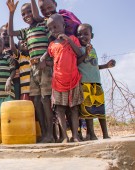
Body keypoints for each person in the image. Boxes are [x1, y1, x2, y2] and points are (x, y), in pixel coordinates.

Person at [7, 0, 54, 143]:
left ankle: (50, 134)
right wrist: (11, 13)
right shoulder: (26, 31)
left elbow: (50, 44)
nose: (27, 15)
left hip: (44, 66)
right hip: (33, 68)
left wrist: (44, 59)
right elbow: (10, 32)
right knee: (37, 101)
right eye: (23, 14)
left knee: (46, 100)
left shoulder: (43, 24)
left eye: (29, 12)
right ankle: (44, 132)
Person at [44, 14, 84, 143]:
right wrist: (42, 60)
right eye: (50, 28)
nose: (53, 30)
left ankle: (76, 136)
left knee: (74, 109)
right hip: (58, 81)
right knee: (60, 109)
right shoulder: (51, 45)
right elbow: (52, 59)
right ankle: (65, 137)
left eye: (55, 26)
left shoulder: (72, 39)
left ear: (64, 26)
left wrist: (68, 40)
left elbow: (79, 54)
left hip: (73, 79)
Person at [77, 23, 116, 140]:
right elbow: (77, 63)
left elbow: (93, 66)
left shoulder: (93, 49)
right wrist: (86, 54)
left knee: (100, 108)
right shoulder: (79, 49)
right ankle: (91, 134)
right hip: (84, 83)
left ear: (91, 36)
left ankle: (105, 133)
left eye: (86, 34)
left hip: (96, 83)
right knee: (88, 110)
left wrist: (106, 65)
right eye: (79, 34)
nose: (82, 36)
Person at [0, 36, 19, 120]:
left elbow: (13, 70)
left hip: (7, 92)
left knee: (8, 116)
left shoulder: (7, 58)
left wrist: (9, 80)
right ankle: (2, 133)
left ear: (3, 47)